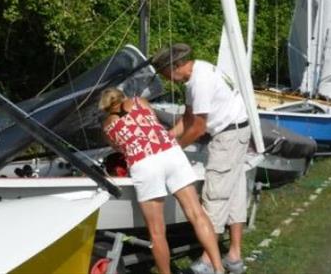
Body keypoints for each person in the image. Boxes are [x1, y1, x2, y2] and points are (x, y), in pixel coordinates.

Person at [99, 88, 224, 274]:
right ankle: (219, 268)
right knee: (197, 214)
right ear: (122, 96)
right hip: (170, 152)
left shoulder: (107, 126)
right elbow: (155, 123)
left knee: (157, 232)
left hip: (144, 162)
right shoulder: (140, 101)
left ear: (106, 107)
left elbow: (120, 148)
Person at [152, 43, 249, 274]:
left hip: (228, 136)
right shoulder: (196, 75)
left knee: (214, 195)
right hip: (236, 130)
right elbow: (187, 119)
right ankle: (234, 256)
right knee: (233, 192)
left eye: (165, 73)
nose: (167, 79)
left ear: (175, 66)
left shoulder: (200, 82)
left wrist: (174, 151)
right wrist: (166, 138)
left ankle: (207, 261)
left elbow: (198, 127)